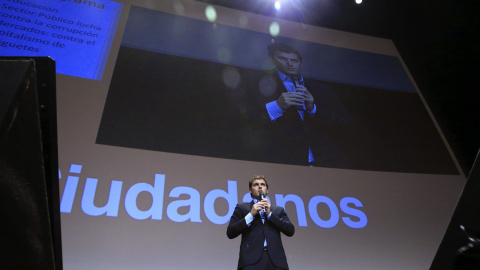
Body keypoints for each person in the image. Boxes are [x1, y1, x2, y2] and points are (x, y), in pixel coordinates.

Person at [242, 42, 354, 167]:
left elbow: (346, 126)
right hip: (281, 164)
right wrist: (277, 106)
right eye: (283, 59)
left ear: (301, 62)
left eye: (294, 60)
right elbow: (242, 120)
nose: (290, 64)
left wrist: (314, 109)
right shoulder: (256, 84)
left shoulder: (321, 89)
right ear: (272, 60)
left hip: (327, 163)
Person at [227, 175, 295, 270]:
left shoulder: (278, 210)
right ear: (250, 190)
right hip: (250, 261)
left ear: (267, 190)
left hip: (276, 262)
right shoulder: (241, 208)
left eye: (263, 184)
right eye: (256, 185)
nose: (260, 187)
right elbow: (230, 232)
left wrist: (270, 214)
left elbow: (290, 230)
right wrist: (251, 215)